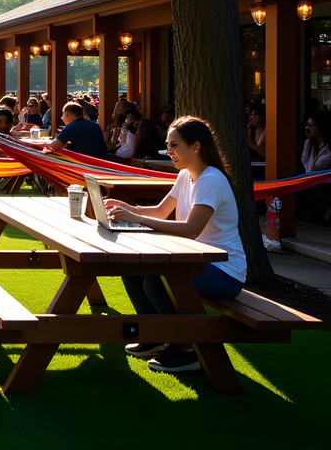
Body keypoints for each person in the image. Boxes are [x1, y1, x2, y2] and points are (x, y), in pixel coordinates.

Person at [105, 116, 246, 374]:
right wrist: (128, 208)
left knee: (156, 280)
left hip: (224, 271)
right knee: (132, 271)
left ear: (196, 146)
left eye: (174, 146)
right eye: (167, 146)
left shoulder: (210, 180)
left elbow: (191, 229)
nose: (169, 152)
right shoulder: (185, 175)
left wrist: (135, 218)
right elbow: (161, 212)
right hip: (195, 261)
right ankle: (155, 335)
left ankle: (186, 349)